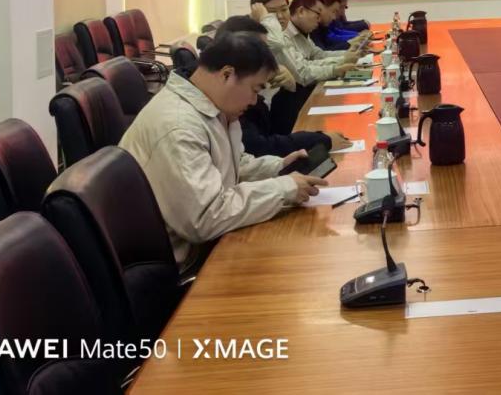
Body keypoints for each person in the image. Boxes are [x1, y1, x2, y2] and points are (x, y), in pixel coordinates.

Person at [119, 31, 327, 271]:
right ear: (227, 74)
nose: (254, 101)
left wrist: (277, 168)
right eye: (255, 89)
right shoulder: (178, 126)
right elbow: (205, 218)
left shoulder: (213, 106)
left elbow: (230, 166)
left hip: (211, 242)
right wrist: (283, 188)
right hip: (189, 262)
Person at [214, 16, 352, 158]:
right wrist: (320, 140)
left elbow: (277, 131)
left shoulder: (251, 84)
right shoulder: (230, 96)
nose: (268, 57)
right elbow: (261, 147)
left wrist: (289, 90)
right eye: (261, 51)